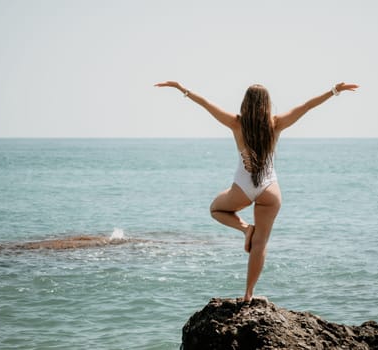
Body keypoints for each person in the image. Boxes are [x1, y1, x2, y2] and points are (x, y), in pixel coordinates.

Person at [154, 81, 359, 301]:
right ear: (267, 103)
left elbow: (205, 104)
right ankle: (248, 294)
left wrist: (181, 88)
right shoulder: (276, 123)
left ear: (245, 102)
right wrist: (334, 91)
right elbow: (307, 106)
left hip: (243, 187)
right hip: (269, 189)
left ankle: (244, 229)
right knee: (260, 244)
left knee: (215, 209)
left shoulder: (236, 123)